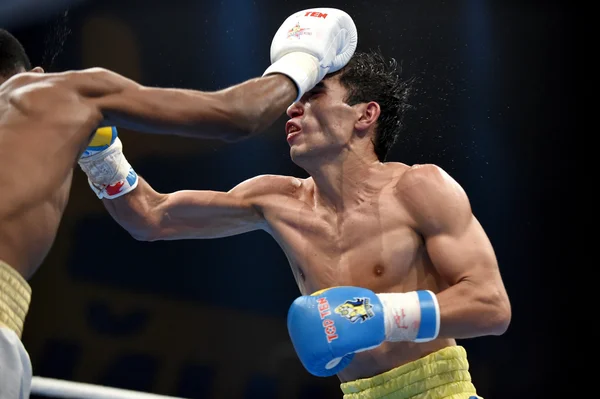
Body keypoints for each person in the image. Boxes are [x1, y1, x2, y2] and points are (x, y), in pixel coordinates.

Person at [79, 46, 511, 398]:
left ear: (365, 114)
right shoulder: (274, 199)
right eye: (294, 98)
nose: (292, 108)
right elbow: (150, 218)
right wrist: (99, 152)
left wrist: (381, 315)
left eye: (314, 94)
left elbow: (491, 307)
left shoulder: (419, 187)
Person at [0, 8, 357, 398]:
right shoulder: (49, 92)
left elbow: (146, 217)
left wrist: (104, 159)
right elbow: (237, 114)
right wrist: (304, 58)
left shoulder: (413, 185)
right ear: (33, 77)